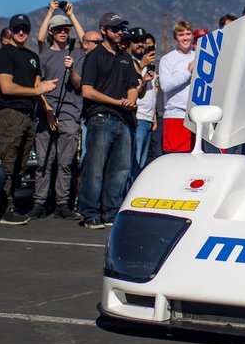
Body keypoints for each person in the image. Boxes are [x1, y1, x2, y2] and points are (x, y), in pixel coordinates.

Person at [78, 12, 145, 229]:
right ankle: (90, 213)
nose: (119, 32)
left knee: (120, 169)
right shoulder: (94, 56)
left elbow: (133, 85)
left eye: (121, 29)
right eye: (115, 29)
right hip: (100, 117)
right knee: (95, 168)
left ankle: (111, 212)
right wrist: (117, 102)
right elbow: (87, 91)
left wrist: (130, 101)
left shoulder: (125, 57)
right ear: (104, 30)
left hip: (124, 119)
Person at [0, 14, 56, 225]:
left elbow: (38, 89)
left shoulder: (32, 57)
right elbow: (6, 87)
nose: (21, 32)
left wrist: (46, 108)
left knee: (20, 164)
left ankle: (11, 203)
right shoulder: (4, 54)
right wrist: (37, 90)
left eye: (25, 29)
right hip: (9, 114)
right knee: (8, 162)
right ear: (9, 31)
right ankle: (4, 206)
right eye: (17, 29)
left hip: (28, 116)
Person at [31, 11, 85, 220]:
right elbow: (37, 87)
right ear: (51, 33)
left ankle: (62, 203)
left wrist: (71, 70)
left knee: (65, 162)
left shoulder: (77, 54)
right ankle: (39, 202)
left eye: (66, 29)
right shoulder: (43, 56)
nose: (63, 33)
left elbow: (79, 84)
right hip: (47, 113)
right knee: (44, 161)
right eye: (59, 30)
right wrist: (47, 111)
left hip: (70, 112)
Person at [158, 20, 197, 153]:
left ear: (192, 36)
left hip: (197, 117)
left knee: (195, 160)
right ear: (175, 37)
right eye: (181, 35)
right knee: (175, 159)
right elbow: (165, 86)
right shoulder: (167, 59)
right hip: (176, 116)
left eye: (188, 34)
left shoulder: (199, 56)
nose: (185, 38)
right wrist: (188, 72)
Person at [130, 32, 158, 174]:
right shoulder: (132, 62)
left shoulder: (150, 66)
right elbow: (134, 87)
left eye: (151, 47)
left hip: (148, 118)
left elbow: (153, 93)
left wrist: (154, 115)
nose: (146, 48)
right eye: (138, 42)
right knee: (133, 162)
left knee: (141, 164)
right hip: (138, 118)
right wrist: (142, 65)